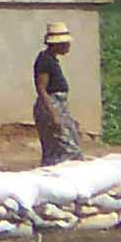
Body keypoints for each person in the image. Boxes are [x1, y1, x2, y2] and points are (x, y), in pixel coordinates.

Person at [28, 23, 85, 166]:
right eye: (65, 43)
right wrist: (53, 114)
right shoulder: (45, 61)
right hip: (51, 106)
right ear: (57, 44)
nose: (68, 46)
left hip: (58, 105)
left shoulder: (51, 60)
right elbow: (41, 88)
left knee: (60, 147)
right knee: (67, 149)